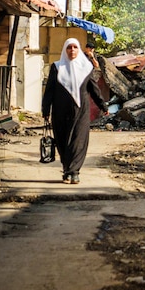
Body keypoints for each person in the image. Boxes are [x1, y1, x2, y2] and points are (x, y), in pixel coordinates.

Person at [42, 38, 107, 184]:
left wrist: (103, 105)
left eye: (75, 47)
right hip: (60, 111)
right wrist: (46, 109)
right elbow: (49, 90)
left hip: (81, 111)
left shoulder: (86, 68)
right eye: (69, 48)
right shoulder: (57, 67)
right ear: (65, 50)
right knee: (63, 141)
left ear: (79, 50)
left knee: (78, 141)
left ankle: (74, 171)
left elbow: (93, 89)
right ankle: (67, 170)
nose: (72, 50)